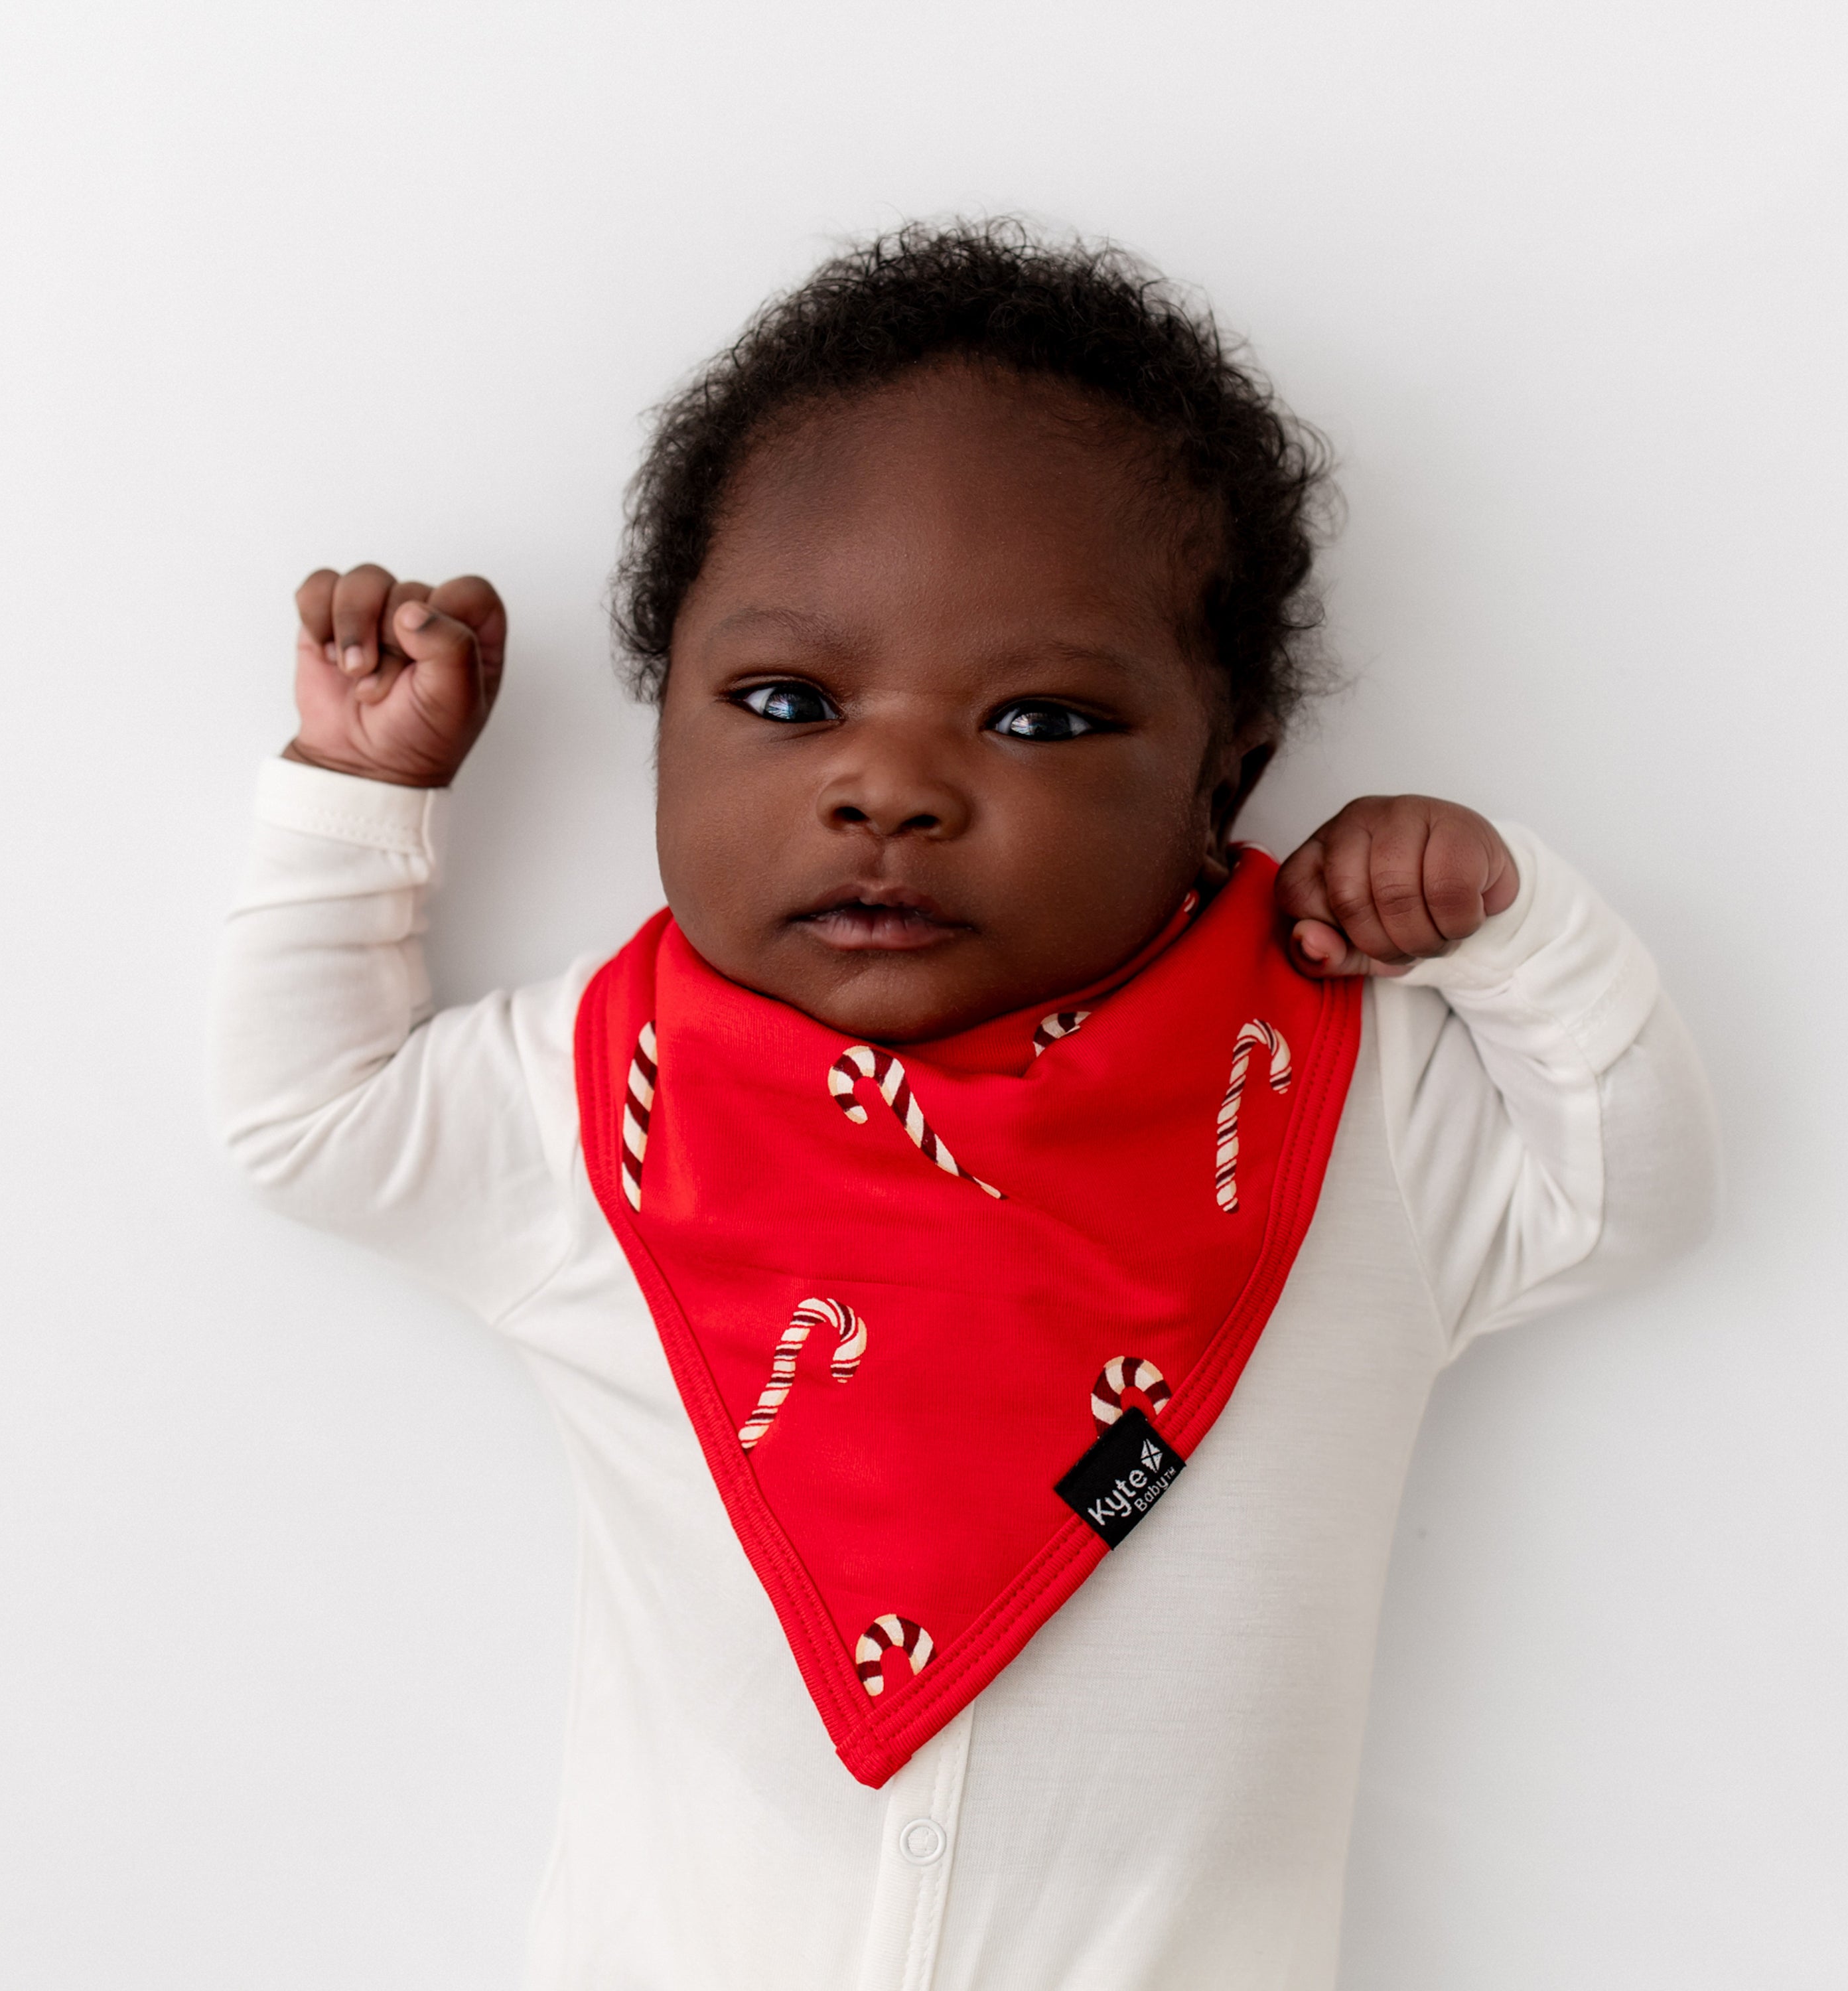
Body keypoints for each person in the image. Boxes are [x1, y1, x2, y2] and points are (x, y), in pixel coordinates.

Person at [210, 223, 1718, 1990]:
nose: (891, 787)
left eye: (1040, 719)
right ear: (663, 723)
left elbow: (1630, 1197)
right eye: (788, 701)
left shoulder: (1330, 1090)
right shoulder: (602, 1107)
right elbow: (308, 1125)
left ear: (1226, 763)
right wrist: (359, 791)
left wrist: (1508, 921)